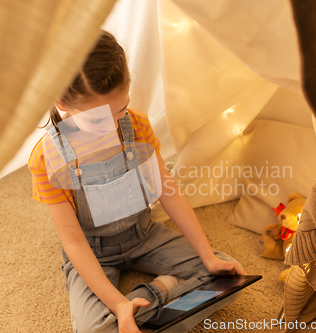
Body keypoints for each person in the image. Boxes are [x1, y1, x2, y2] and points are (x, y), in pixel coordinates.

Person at [28, 29, 246, 333]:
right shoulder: (46, 159)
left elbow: (169, 194)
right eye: (96, 120)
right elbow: (74, 242)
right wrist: (118, 304)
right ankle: (150, 301)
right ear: (62, 102)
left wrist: (208, 258)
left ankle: (151, 297)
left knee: (230, 277)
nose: (111, 127)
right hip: (92, 252)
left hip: (143, 235)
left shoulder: (137, 127)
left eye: (120, 111)